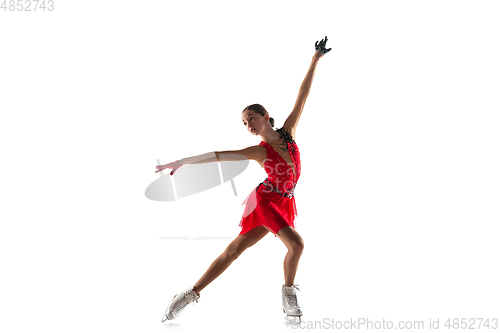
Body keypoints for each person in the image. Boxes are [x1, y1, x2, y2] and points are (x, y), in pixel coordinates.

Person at [156, 36, 331, 323]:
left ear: (266, 116)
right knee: (296, 244)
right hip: (265, 200)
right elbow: (219, 155)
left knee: (234, 250)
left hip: (284, 202)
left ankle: (188, 293)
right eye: (244, 123)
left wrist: (314, 60)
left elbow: (303, 95)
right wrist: (184, 161)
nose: (248, 125)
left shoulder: (289, 132)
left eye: (251, 118)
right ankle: (288, 294)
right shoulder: (257, 151)